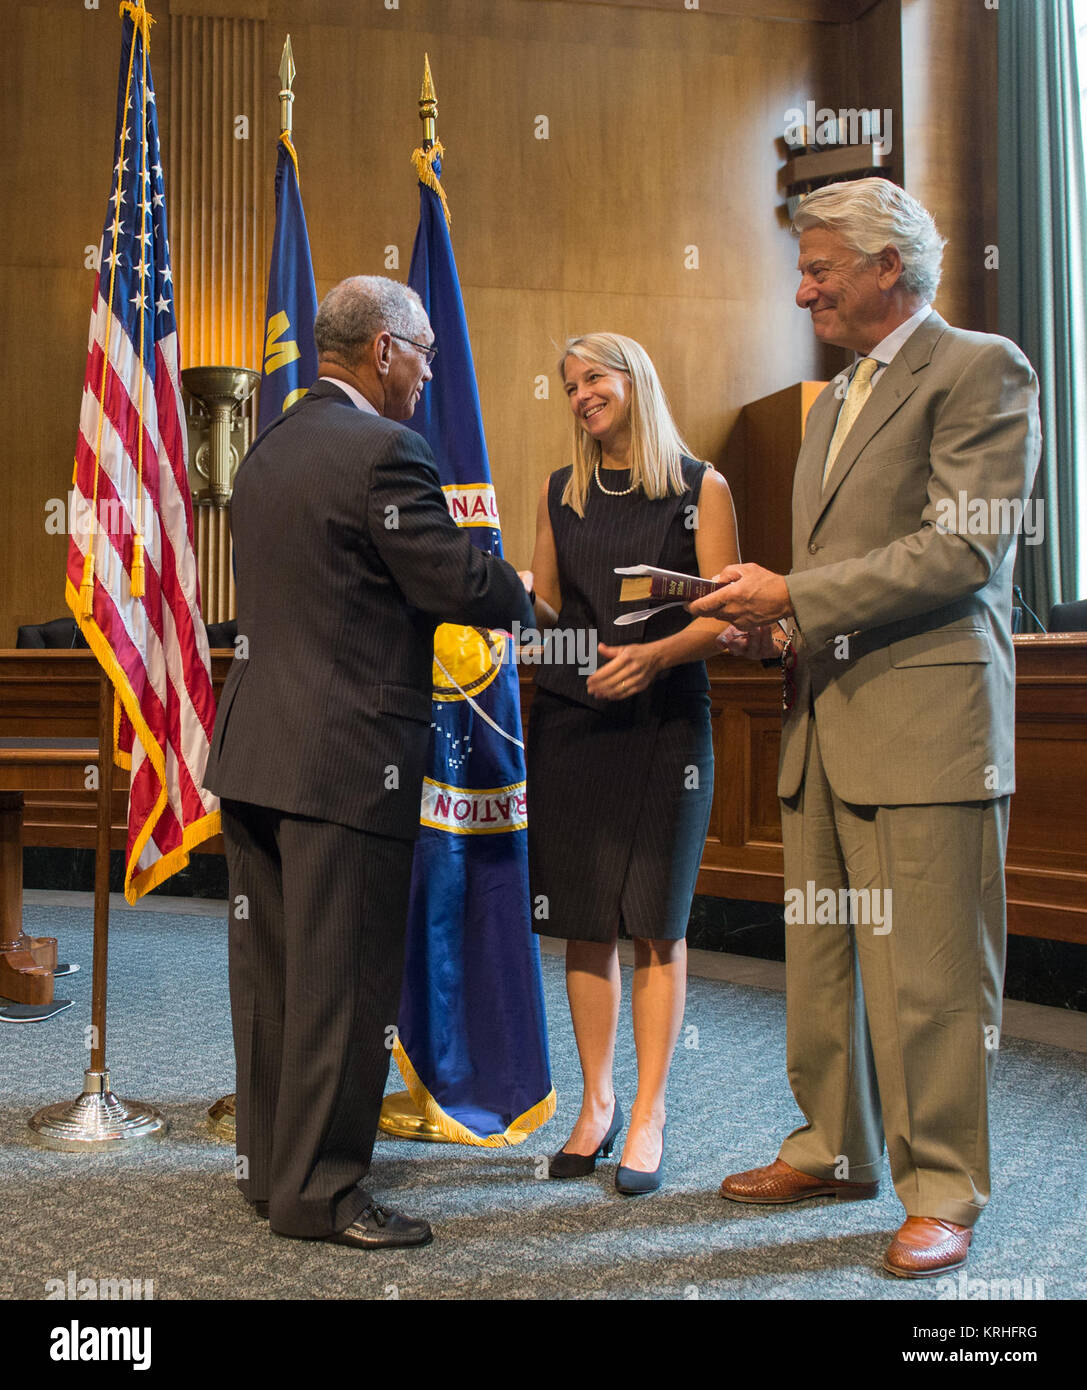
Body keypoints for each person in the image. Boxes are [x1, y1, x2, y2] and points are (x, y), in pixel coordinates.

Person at [690, 179, 1041, 1277]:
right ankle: (829, 1146)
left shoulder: (981, 368)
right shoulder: (830, 403)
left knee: (931, 977)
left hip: (930, 729)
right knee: (824, 964)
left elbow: (962, 551)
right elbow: (840, 579)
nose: (802, 292)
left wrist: (792, 594)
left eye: (819, 270)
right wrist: (774, 632)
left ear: (889, 267)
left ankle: (941, 1187)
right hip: (825, 725)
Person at [203, 275, 534, 1250]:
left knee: (271, 977)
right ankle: (327, 1193)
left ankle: (271, 1171)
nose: (431, 373)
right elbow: (451, 580)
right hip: (347, 763)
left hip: (256, 751)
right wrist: (522, 587)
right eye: (425, 351)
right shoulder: (385, 451)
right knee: (343, 986)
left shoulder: (266, 452)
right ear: (383, 350)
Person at [523, 332, 739, 1194]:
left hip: (665, 729)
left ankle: (649, 1111)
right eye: (569, 385)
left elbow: (726, 617)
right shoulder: (557, 492)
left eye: (594, 379)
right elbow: (545, 610)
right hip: (573, 723)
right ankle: (598, 1103)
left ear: (634, 380)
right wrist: (486, 586)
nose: (580, 395)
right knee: (585, 919)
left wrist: (651, 658)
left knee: (654, 920)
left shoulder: (700, 487)